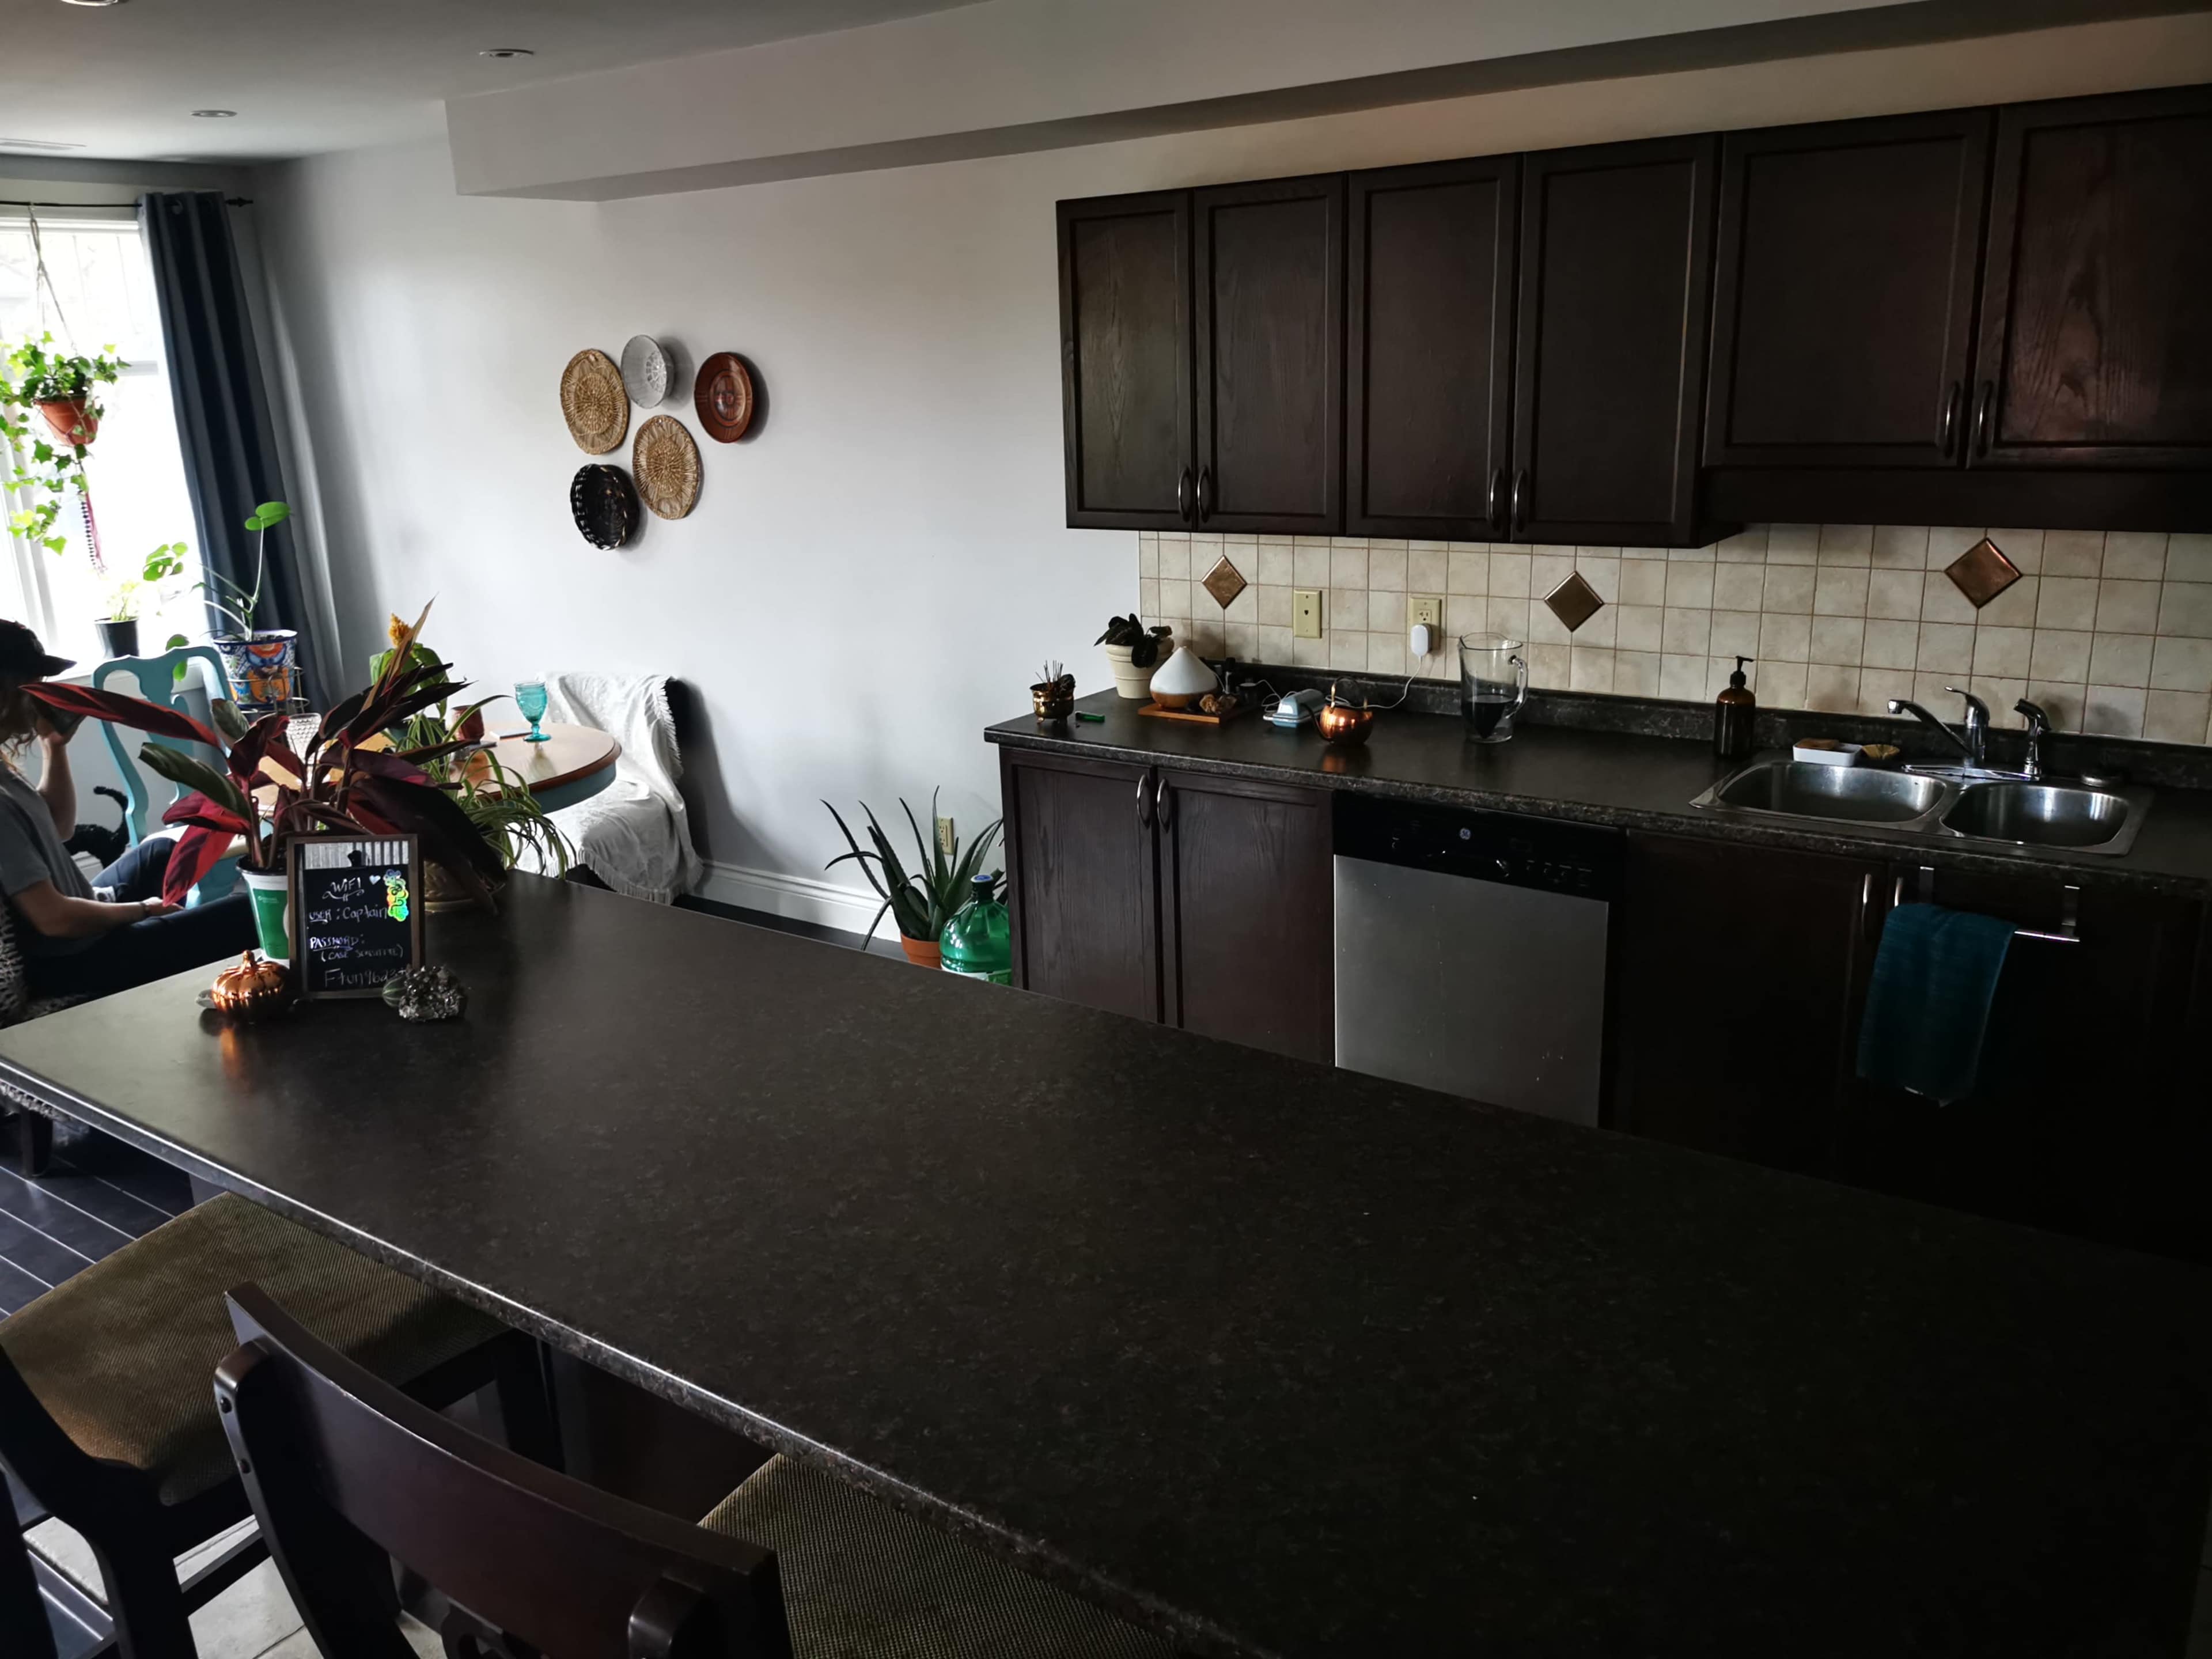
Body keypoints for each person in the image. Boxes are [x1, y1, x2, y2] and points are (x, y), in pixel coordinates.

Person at [0, 621, 254, 1000]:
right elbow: (54, 919)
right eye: (35, 684)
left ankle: (174, 970)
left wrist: (55, 747)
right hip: (77, 959)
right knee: (245, 915)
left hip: (87, 918)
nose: (45, 695)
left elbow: (60, 828)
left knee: (166, 852)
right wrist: (143, 910)